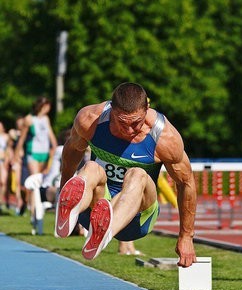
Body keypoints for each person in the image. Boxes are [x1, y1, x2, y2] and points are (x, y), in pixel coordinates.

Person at [55, 82, 197, 267]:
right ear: (112, 110)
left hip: (137, 219)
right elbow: (71, 152)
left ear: (147, 108)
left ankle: (104, 232)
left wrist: (186, 236)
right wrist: (63, 188)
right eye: (122, 122)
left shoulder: (165, 138)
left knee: (137, 174)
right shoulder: (90, 119)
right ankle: (73, 211)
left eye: (136, 123)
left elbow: (186, 183)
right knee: (91, 167)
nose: (129, 130)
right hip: (95, 206)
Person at [0, 122, 9, 212]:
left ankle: (1, 201)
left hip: (2, 162)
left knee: (3, 181)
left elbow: (8, 150)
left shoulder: (5, 137)